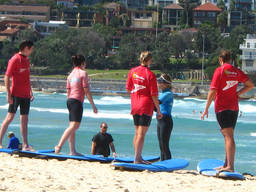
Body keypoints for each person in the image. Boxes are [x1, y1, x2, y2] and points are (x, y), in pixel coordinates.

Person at [201, 50, 254, 172]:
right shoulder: (236, 71)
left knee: (228, 137)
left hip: (222, 107)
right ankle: (226, 164)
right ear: (230, 59)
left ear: (220, 59)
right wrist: (238, 93)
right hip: (234, 108)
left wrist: (206, 109)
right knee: (229, 136)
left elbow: (212, 91)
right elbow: (250, 85)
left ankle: (230, 166)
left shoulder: (219, 71)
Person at [55, 55, 98, 155]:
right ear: (83, 63)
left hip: (70, 101)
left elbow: (68, 91)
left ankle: (72, 151)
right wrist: (93, 105)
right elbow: (86, 90)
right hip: (76, 101)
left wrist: (69, 104)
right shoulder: (83, 73)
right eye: (85, 63)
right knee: (74, 126)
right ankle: (59, 146)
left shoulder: (70, 75)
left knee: (72, 126)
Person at [126, 51, 162, 164]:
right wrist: (159, 110)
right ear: (149, 60)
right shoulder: (150, 74)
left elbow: (128, 88)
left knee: (137, 132)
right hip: (145, 105)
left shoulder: (132, 71)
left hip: (135, 104)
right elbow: (154, 95)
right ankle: (137, 159)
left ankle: (137, 156)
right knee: (141, 133)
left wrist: (137, 92)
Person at [0, 40, 34, 151]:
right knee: (9, 117)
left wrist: (31, 92)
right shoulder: (15, 59)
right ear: (25, 48)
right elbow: (7, 77)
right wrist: (8, 95)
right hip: (15, 94)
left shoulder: (27, 60)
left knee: (25, 119)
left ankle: (25, 145)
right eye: (31, 48)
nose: (32, 51)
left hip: (26, 95)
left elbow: (27, 78)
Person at [157, 73, 174, 161]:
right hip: (160, 120)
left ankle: (168, 163)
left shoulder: (168, 93)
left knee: (164, 144)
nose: (159, 84)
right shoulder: (162, 93)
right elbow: (156, 108)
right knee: (161, 144)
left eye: (161, 82)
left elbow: (157, 102)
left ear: (167, 83)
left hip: (166, 120)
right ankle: (162, 162)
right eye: (158, 81)